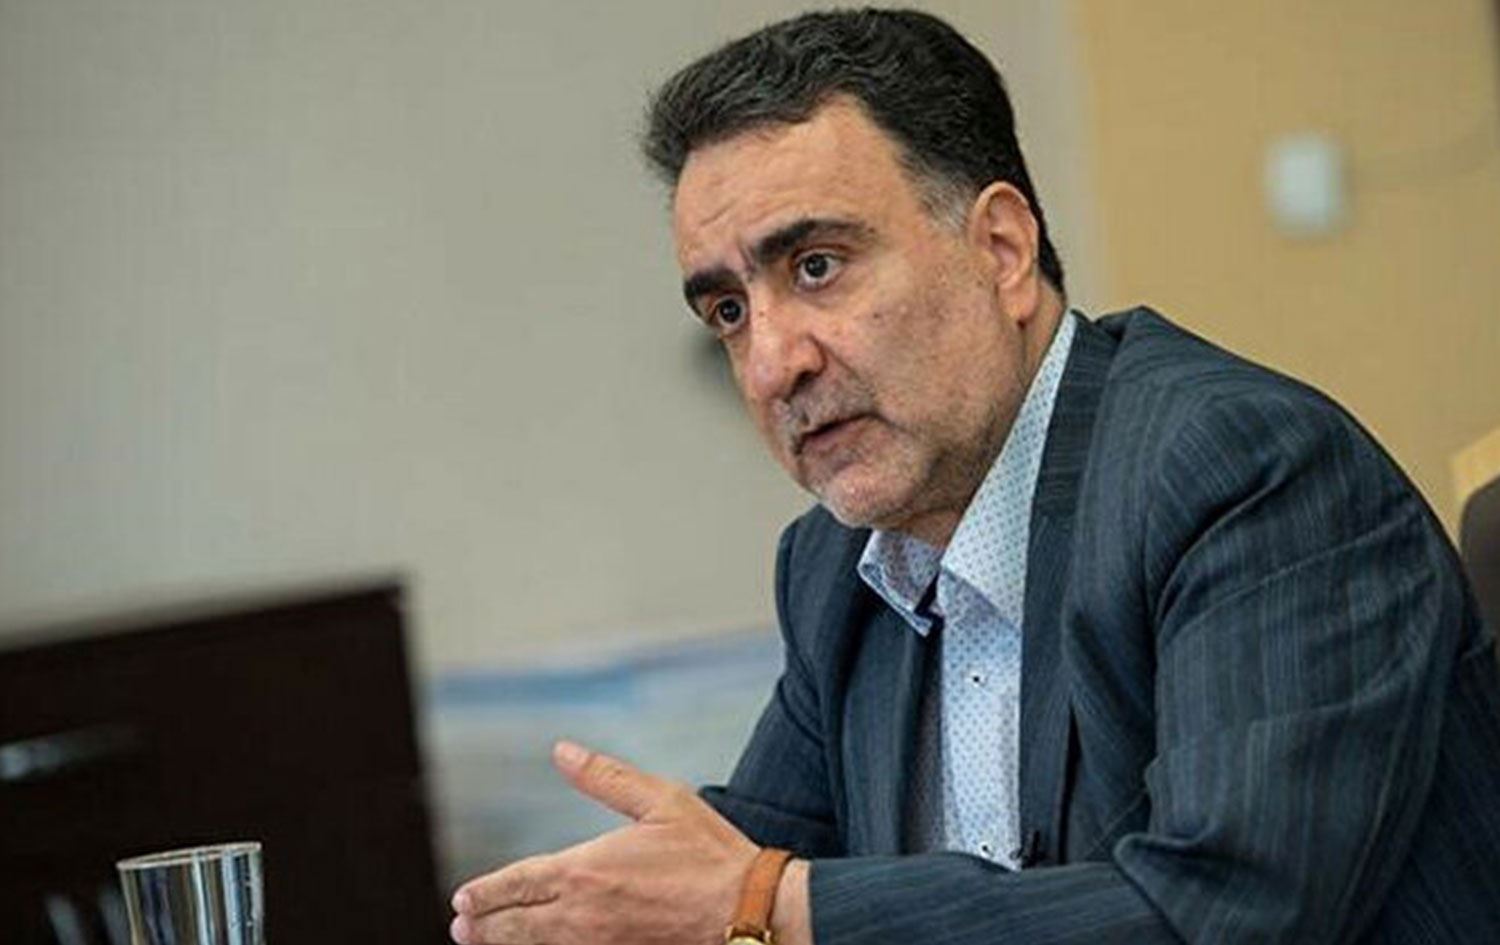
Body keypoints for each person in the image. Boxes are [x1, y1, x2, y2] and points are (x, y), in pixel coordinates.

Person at [449, 9, 1500, 944]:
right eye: (728, 309)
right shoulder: (834, 565)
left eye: (817, 266)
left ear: (1000, 249)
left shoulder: (1239, 472)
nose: (770, 365)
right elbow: (749, 860)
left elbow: (1223, 911)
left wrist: (773, 905)